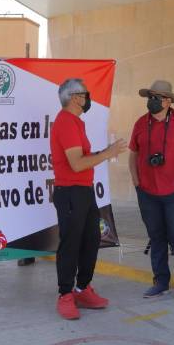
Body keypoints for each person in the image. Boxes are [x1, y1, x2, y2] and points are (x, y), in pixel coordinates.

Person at [47, 78, 126, 319]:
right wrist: (107, 153)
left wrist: (102, 153)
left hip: (83, 190)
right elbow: (77, 163)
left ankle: (83, 288)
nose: (87, 98)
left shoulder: (76, 123)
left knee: (91, 239)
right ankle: (65, 294)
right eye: (85, 94)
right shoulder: (66, 123)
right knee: (71, 244)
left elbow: (83, 156)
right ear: (75, 98)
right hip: (70, 192)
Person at [130, 80, 174, 305]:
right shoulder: (141, 123)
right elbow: (133, 154)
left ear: (168, 101)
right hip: (147, 192)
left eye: (157, 97)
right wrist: (136, 181)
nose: (151, 101)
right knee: (157, 238)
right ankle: (160, 281)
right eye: (150, 96)